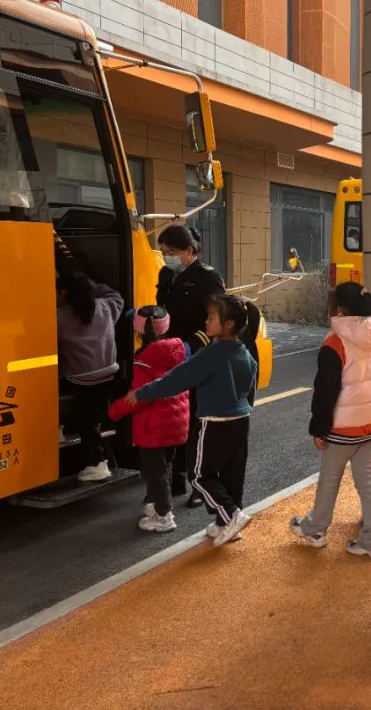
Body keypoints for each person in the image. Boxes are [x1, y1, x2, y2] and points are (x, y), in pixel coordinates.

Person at [125, 295, 258, 548]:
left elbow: (177, 379)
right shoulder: (244, 351)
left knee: (199, 475)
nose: (206, 321)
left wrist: (142, 393)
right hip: (241, 419)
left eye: (211, 317)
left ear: (227, 325)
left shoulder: (211, 354)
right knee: (232, 473)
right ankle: (226, 522)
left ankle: (231, 515)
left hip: (213, 422)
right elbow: (250, 386)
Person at [289, 282, 371, 559]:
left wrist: (318, 428)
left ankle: (315, 529)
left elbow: (325, 391)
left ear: (341, 309)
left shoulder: (335, 342)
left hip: (343, 428)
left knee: (329, 480)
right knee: (368, 482)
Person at [156, 224, 225, 507]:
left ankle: (201, 483)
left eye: (171, 252)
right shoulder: (166, 274)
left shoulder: (207, 278)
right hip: (170, 355)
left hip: (197, 356)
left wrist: (191, 346)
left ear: (189, 250)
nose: (167, 258)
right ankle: (177, 478)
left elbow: (216, 321)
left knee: (198, 423)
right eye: (163, 253)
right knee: (174, 419)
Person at [108, 306, 191, 533]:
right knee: (166, 467)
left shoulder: (144, 359)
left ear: (139, 332)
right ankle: (156, 505)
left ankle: (164, 516)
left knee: (155, 473)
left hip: (154, 426)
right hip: (177, 422)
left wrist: (114, 411)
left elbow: (140, 397)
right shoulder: (179, 349)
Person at [56, 270, 123, 482]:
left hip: (79, 378)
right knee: (93, 421)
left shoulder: (59, 316)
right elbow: (116, 295)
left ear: (64, 292)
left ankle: (95, 464)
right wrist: (92, 284)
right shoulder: (105, 307)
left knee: (87, 423)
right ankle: (100, 460)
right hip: (107, 375)